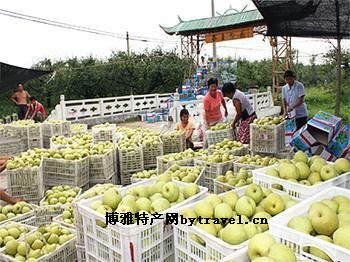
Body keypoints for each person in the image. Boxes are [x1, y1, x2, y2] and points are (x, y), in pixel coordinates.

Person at [203, 78, 228, 147]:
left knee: (220, 135)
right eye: (212, 87)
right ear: (208, 87)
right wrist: (208, 126)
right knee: (207, 138)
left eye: (215, 86)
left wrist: (226, 109)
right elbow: (207, 113)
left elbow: (223, 101)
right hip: (209, 119)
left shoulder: (219, 93)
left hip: (218, 118)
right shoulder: (206, 99)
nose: (214, 88)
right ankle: (205, 151)